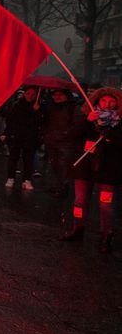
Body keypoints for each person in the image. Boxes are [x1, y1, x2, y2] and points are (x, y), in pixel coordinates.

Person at [59, 87, 122, 253]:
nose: (107, 104)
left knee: (105, 205)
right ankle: (77, 228)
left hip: (108, 169)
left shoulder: (119, 121)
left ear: (117, 103)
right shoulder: (88, 116)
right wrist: (87, 121)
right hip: (85, 166)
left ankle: (106, 235)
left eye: (111, 101)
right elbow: (71, 135)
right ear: (97, 101)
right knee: (79, 202)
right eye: (103, 101)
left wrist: (110, 134)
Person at [42, 89, 83, 197]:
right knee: (54, 164)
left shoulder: (73, 108)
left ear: (67, 96)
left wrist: (65, 134)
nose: (57, 97)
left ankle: (63, 188)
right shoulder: (51, 107)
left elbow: (78, 125)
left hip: (66, 142)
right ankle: (56, 186)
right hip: (52, 140)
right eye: (55, 95)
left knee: (64, 165)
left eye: (60, 95)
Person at [0, 87, 43, 190]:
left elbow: (39, 123)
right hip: (16, 136)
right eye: (28, 93)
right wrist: (6, 133)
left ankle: (26, 180)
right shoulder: (16, 105)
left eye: (33, 94)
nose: (30, 96)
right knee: (13, 158)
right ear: (24, 94)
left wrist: (37, 111)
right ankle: (11, 178)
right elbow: (10, 121)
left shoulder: (39, 107)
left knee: (28, 159)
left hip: (30, 137)